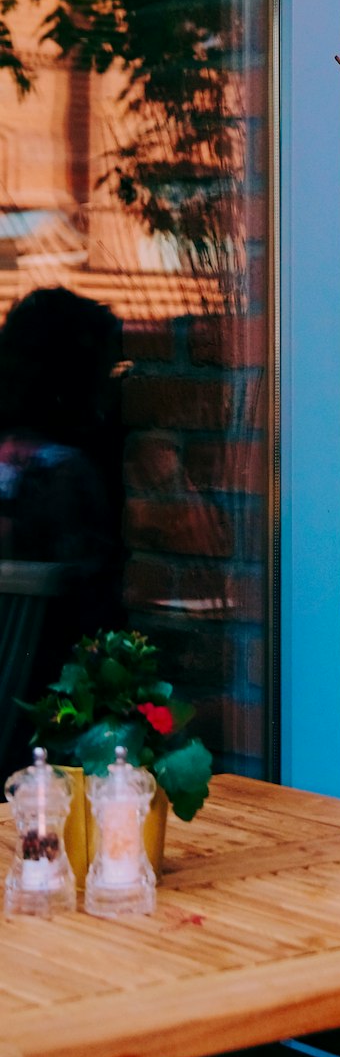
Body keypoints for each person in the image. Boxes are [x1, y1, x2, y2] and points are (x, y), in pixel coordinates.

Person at [0, 286, 126, 773]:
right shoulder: (63, 473)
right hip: (41, 726)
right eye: (109, 370)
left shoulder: (16, 455)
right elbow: (100, 607)